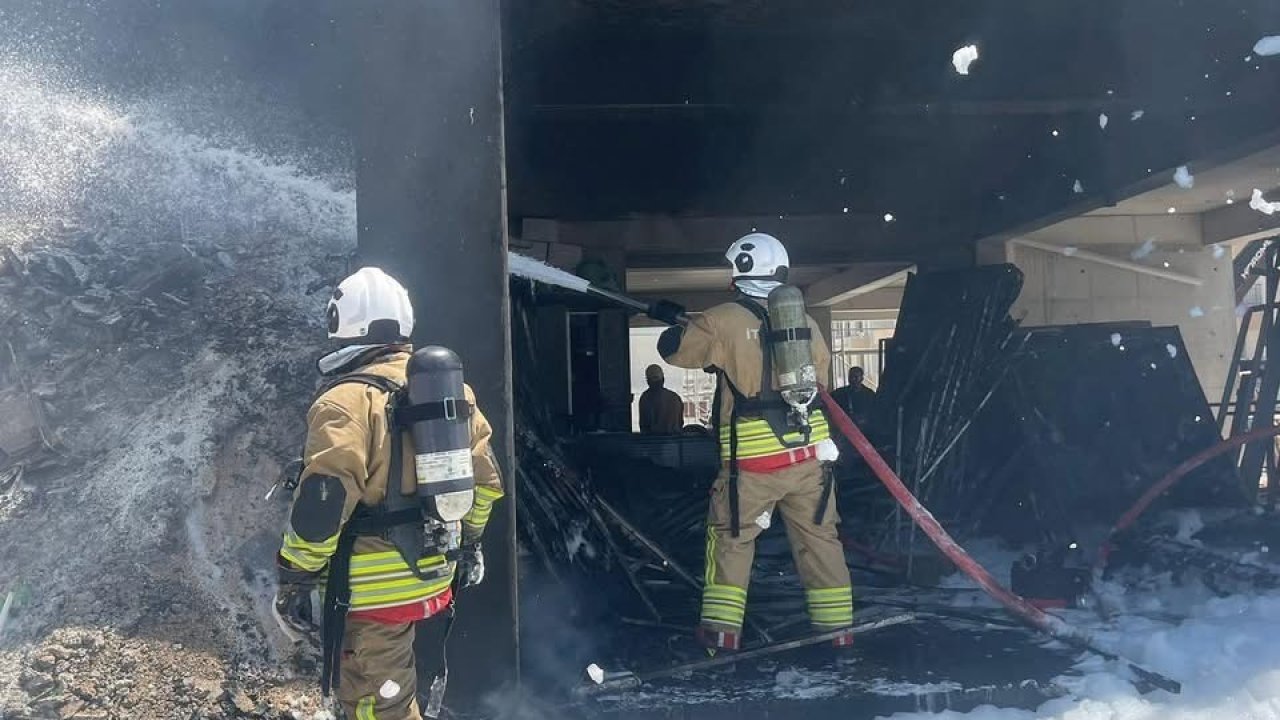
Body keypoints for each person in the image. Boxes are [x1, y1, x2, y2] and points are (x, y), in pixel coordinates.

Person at [272, 267, 504, 720]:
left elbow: (324, 504)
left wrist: (295, 576)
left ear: (343, 325)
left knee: (375, 708)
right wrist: (471, 544)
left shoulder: (345, 402)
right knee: (395, 695)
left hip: (373, 596)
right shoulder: (455, 394)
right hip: (435, 574)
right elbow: (487, 483)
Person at [653, 232, 854, 653]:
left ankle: (721, 639)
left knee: (731, 541)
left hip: (753, 465)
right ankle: (838, 634)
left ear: (739, 272)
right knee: (820, 542)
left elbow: (674, 352)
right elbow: (817, 372)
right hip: (809, 459)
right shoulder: (806, 322)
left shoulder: (723, 318)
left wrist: (674, 321)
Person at [638, 364, 685, 434]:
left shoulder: (645, 398)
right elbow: (680, 423)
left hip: (654, 442)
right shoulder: (675, 397)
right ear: (663, 378)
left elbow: (644, 427)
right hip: (675, 441)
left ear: (648, 381)